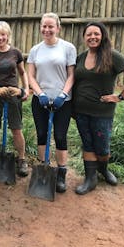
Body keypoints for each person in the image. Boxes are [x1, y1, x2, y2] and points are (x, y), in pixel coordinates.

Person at [73, 22, 124, 195]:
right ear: (84, 37)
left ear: (102, 36)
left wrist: (120, 96)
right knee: (87, 144)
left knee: (102, 148)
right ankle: (90, 179)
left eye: (96, 34)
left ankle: (103, 169)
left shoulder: (111, 56)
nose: (92, 37)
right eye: (89, 34)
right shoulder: (81, 57)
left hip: (102, 112)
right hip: (80, 110)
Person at [27, 12, 76, 193]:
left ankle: (61, 173)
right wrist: (40, 94)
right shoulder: (35, 50)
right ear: (41, 27)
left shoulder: (68, 48)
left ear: (58, 28)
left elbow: (71, 75)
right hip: (40, 100)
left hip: (63, 101)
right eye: (44, 26)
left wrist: (63, 94)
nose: (47, 30)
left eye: (51, 26)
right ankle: (44, 168)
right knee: (41, 133)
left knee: (60, 136)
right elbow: (31, 76)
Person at [0, 21, 29, 178]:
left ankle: (21, 159)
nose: (0, 38)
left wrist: (25, 90)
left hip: (12, 93)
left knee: (16, 128)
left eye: (3, 34)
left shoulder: (16, 53)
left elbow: (23, 73)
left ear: (8, 36)